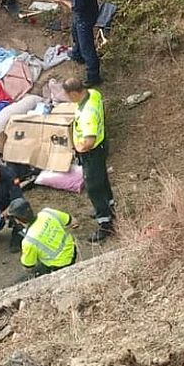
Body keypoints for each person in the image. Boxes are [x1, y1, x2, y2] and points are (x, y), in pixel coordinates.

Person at [64, 76, 115, 243]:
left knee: (93, 187)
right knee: (102, 180)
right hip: (102, 145)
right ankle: (110, 205)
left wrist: (77, 147)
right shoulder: (93, 94)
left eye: (67, 95)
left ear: (73, 94)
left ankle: (105, 223)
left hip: (92, 152)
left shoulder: (87, 114)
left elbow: (89, 141)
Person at [57, 0, 100, 87]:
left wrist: (63, 1)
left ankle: (93, 76)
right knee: (75, 33)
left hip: (84, 17)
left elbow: (76, 7)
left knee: (87, 47)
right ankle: (77, 55)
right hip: (90, 11)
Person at [8, 198, 77, 276]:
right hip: (72, 251)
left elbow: (28, 267)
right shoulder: (47, 212)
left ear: (17, 220)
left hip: (58, 265)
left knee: (33, 272)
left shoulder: (28, 241)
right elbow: (73, 221)